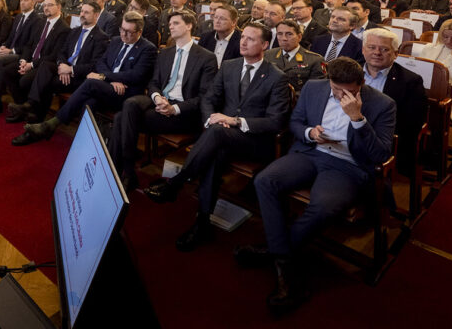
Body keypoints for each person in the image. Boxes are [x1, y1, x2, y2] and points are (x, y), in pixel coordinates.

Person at [246, 57, 396, 312]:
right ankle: (283, 256)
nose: (341, 95)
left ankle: (276, 253)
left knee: (324, 206)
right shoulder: (315, 88)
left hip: (347, 165)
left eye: (349, 90)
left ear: (361, 84)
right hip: (311, 152)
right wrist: (309, 133)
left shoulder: (383, 104)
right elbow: (295, 122)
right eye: (336, 89)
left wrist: (357, 118)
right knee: (265, 180)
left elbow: (381, 154)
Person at [144, 23, 290, 250]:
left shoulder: (276, 77)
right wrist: (210, 118)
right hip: (221, 134)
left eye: (251, 39)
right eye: (243, 38)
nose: (243, 42)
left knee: (218, 134)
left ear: (264, 45)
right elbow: (209, 98)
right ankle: (202, 222)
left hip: (254, 140)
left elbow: (276, 121)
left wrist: (235, 121)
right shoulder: (230, 66)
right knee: (215, 151)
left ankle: (177, 183)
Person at [107, 10, 219, 192]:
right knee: (130, 104)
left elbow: (205, 97)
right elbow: (154, 83)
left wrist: (174, 108)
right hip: (160, 101)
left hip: (183, 112)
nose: (170, 27)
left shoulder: (206, 57)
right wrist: (157, 97)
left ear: (189, 25)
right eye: (170, 24)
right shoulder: (165, 53)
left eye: (176, 23)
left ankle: (123, 172)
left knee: (121, 118)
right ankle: (126, 172)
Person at [13, 11, 156, 144]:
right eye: (122, 29)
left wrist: (103, 77)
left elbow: (136, 75)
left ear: (139, 32)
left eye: (129, 32)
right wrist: (110, 79)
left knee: (91, 83)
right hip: (107, 87)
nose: (124, 34)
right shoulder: (116, 40)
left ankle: (51, 124)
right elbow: (102, 62)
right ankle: (83, 142)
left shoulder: (147, 48)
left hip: (125, 93)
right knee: (88, 102)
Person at [8, 1, 109, 134]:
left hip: (79, 76)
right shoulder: (75, 31)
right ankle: (31, 107)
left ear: (96, 15)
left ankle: (36, 117)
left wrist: (71, 70)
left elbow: (95, 65)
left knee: (48, 81)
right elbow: (62, 52)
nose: (82, 15)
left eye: (86, 12)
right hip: (64, 68)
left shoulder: (101, 37)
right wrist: (63, 65)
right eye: (82, 11)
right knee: (45, 67)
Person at [359, 29, 427, 175]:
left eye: (384, 49)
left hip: (382, 139)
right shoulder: (351, 71)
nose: (377, 53)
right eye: (371, 47)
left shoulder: (410, 81)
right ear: (363, 50)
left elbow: (410, 124)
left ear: (396, 54)